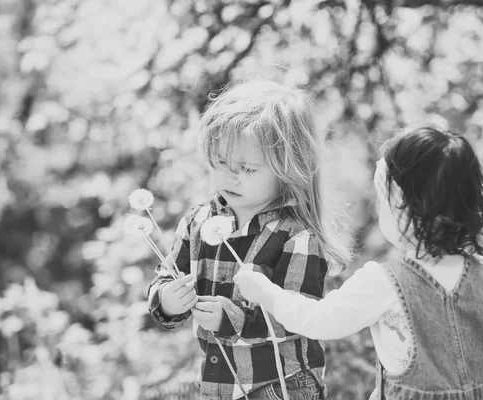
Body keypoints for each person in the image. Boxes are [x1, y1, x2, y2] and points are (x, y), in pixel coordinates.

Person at [235, 125, 483, 400]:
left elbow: (319, 320)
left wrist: (265, 292)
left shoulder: (385, 282)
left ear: (405, 209)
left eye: (383, 200)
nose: (379, 208)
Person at [147, 79, 351, 399]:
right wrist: (168, 301)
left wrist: (232, 319)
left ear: (287, 167)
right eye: (221, 163)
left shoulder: (295, 236)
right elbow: (166, 277)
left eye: (248, 168)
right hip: (221, 385)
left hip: (283, 385)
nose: (231, 177)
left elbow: (299, 316)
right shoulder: (199, 222)